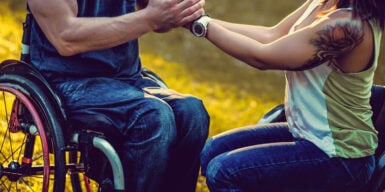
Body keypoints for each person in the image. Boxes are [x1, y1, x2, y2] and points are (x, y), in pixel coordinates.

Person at [194, 0, 384, 191]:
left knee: (224, 172)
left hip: (342, 158)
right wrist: (203, 20)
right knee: (213, 151)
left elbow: (262, 56)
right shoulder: (323, 3)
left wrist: (203, 26)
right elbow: (272, 35)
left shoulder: (348, 25)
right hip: (310, 135)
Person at [26, 0, 210, 191]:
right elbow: (65, 37)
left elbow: (153, 10)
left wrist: (175, 10)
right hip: (66, 80)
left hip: (126, 78)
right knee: (153, 117)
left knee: (192, 112)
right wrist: (150, 19)